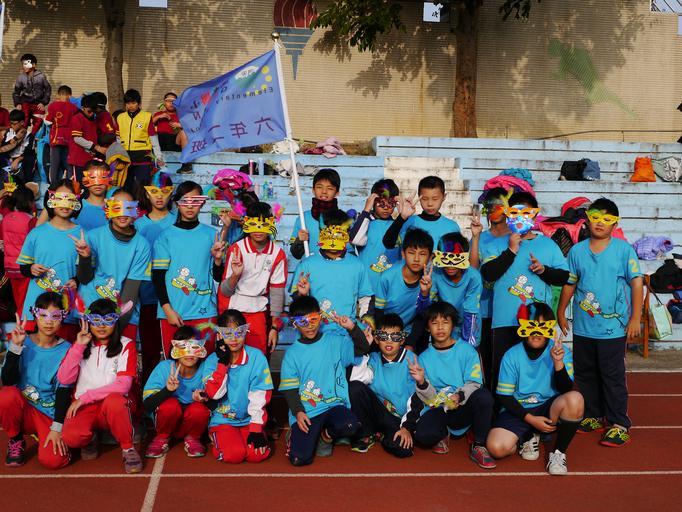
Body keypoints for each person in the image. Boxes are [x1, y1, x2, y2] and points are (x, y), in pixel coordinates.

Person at [557, 197, 643, 447]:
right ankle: (593, 414)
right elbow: (570, 283)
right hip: (584, 327)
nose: (600, 223)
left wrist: (635, 318)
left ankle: (618, 423)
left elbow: (637, 282)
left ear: (615, 224)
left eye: (607, 219)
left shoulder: (624, 250)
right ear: (587, 220)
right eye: (595, 217)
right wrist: (561, 311)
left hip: (613, 328)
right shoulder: (577, 251)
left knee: (612, 375)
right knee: (585, 373)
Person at [480, 192, 569, 394]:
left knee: (536, 372)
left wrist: (544, 270)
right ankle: (500, 412)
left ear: (535, 215)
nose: (520, 218)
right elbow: (488, 274)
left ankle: (536, 406)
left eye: (526, 213)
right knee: (501, 373)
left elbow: (563, 277)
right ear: (507, 214)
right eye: (515, 212)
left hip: (537, 323)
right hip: (504, 321)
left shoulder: (547, 244)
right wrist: (511, 250)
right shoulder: (497, 244)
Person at [487, 302, 583, 475]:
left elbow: (566, 389)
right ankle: (527, 435)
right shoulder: (511, 355)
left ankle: (558, 453)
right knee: (496, 448)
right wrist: (531, 420)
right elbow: (504, 396)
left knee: (575, 399)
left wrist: (558, 363)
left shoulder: (561, 351)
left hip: (548, 407)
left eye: (543, 326)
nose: (537, 332)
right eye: (531, 325)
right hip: (519, 408)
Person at [279, 296, 370, 466]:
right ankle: (295, 435)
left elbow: (363, 348)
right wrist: (298, 412)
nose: (309, 326)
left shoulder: (336, 342)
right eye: (303, 321)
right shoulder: (292, 354)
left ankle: (325, 437)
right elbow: (289, 390)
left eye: (313, 319)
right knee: (299, 460)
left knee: (351, 425)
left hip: (334, 405)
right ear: (295, 324)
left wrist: (352, 328)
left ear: (320, 317)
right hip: (308, 411)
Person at [57, 299, 143, 473]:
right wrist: (79, 346)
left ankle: (128, 448)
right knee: (71, 437)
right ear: (88, 322)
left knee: (116, 402)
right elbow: (64, 379)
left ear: (116, 321)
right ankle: (91, 437)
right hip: (85, 407)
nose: (101, 326)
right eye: (96, 320)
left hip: (111, 404)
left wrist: (86, 397)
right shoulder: (80, 344)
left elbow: (123, 386)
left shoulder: (126, 344)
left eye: (108, 320)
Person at [411, 301, 496, 469]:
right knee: (423, 436)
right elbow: (429, 399)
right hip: (439, 408)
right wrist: (421, 382)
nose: (440, 327)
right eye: (434, 323)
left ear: (453, 325)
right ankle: (443, 433)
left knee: (484, 397)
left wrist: (459, 396)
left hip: (462, 406)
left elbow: (474, 383)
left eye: (445, 322)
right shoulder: (423, 358)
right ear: (427, 327)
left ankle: (479, 445)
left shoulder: (467, 351)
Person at [0, 292, 71, 469]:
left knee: (53, 461)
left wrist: (57, 428)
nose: (49, 321)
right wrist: (16, 347)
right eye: (43, 315)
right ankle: (16, 439)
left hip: (48, 413)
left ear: (62, 317)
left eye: (55, 316)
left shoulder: (67, 350)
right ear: (35, 315)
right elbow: (7, 380)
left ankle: (46, 435)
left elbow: (64, 391)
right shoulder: (22, 341)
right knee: (7, 395)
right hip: (23, 408)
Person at [152, 181, 220, 357]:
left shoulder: (212, 235)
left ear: (202, 203)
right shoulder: (165, 236)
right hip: (174, 314)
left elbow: (218, 276)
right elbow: (157, 277)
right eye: (185, 201)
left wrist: (218, 260)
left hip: (204, 312)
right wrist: (168, 310)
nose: (190, 206)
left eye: (195, 201)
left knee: (204, 362)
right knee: (174, 362)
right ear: (177, 203)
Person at [73, 188, 151, 340]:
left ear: (135, 210)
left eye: (128, 208)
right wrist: (85, 257)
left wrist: (115, 328)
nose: (123, 214)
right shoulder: (92, 237)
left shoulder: (142, 245)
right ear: (108, 209)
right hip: (90, 313)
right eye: (117, 207)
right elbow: (84, 278)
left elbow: (131, 290)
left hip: (122, 316)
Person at [202, 309, 274, 463]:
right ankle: (216, 434)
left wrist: (256, 428)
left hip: (249, 419)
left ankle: (247, 434)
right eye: (228, 334)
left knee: (256, 455)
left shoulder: (257, 357)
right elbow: (214, 394)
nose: (234, 339)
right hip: (223, 420)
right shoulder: (212, 360)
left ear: (245, 332)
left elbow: (260, 394)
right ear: (219, 335)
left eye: (239, 333)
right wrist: (222, 363)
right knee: (234, 455)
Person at [218, 201, 287, 355]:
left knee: (258, 355)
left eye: (263, 224)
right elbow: (225, 291)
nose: (258, 230)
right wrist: (236, 275)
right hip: (232, 310)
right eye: (253, 223)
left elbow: (277, 291)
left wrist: (274, 327)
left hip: (258, 312)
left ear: (271, 224)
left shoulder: (278, 254)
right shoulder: (237, 249)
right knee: (230, 357)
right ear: (246, 223)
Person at [349, 313, 421, 457]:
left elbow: (418, 398)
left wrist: (406, 428)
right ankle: (367, 433)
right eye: (383, 336)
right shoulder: (374, 358)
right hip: (379, 413)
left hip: (400, 418)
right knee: (355, 388)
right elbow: (356, 380)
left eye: (395, 337)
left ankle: (382, 435)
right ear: (376, 339)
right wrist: (364, 349)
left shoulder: (412, 360)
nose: (389, 341)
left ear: (402, 339)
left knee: (403, 450)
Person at [16, 180, 81, 340]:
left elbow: (86, 271)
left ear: (77, 202)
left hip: (66, 309)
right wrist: (31, 268)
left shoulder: (82, 234)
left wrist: (76, 280)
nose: (64, 204)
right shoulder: (36, 233)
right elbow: (23, 267)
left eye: (69, 199)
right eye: (59, 198)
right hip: (35, 309)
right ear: (50, 200)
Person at [290, 209, 373, 331]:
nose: (334, 239)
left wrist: (366, 322)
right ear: (321, 234)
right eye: (329, 233)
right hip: (316, 332)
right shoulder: (307, 265)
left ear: (347, 234)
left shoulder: (357, 265)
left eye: (339, 233)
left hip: (347, 332)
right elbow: (296, 303)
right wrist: (301, 295)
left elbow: (366, 298)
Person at [143, 326, 210, 458]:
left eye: (194, 347)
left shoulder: (206, 368)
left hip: (193, 422)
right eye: (183, 347)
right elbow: (147, 406)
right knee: (170, 405)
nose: (189, 353)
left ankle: (193, 438)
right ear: (174, 349)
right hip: (167, 422)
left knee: (199, 409)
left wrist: (205, 399)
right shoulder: (164, 368)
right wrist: (167, 391)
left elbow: (217, 402)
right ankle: (162, 438)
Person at [469, 187, 511, 388]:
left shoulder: (516, 237)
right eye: (489, 206)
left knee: (506, 362)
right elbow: (472, 269)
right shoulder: (480, 236)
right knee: (486, 361)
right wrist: (476, 238)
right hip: (485, 310)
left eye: (499, 206)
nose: (494, 210)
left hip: (509, 311)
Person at [135, 172, 175, 379]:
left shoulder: (178, 222)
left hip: (175, 296)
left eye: (164, 191)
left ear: (171, 193)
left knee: (175, 350)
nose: (159, 196)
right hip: (147, 295)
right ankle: (148, 393)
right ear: (146, 193)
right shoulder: (137, 225)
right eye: (154, 191)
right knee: (150, 350)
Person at [375, 227, 433, 351]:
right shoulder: (387, 278)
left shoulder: (431, 281)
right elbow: (378, 312)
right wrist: (385, 339)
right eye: (411, 253)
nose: (416, 259)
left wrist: (410, 343)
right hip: (386, 333)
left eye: (422, 254)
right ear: (403, 254)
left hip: (411, 334)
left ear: (430, 258)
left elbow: (422, 317)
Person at [420, 232, 483, 347]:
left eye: (456, 259)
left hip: (469, 326)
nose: (450, 265)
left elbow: (471, 312)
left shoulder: (473, 277)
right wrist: (425, 293)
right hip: (444, 326)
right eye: (445, 259)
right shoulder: (434, 273)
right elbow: (427, 311)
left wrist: (467, 347)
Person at [383, 175, 460, 253]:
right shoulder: (409, 222)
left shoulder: (452, 227)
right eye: (425, 199)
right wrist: (402, 217)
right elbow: (388, 244)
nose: (430, 204)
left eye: (435, 199)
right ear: (419, 197)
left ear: (444, 197)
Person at [349, 179, 402, 293]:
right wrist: (366, 210)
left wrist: (403, 214)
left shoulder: (398, 225)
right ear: (373, 201)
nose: (386, 207)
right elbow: (355, 240)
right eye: (381, 203)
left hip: (392, 286)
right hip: (368, 287)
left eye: (390, 203)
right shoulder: (365, 222)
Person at [289, 168, 342, 259]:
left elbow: (350, 252)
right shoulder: (303, 218)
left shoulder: (344, 219)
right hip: (309, 267)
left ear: (337, 192)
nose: (324, 191)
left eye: (330, 188)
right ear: (313, 190)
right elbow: (295, 254)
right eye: (319, 187)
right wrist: (299, 241)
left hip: (335, 267)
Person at [115, 89, 163, 188]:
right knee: (125, 186)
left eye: (133, 103)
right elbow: (118, 138)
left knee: (143, 186)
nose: (131, 106)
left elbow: (153, 138)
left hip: (143, 156)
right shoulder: (120, 117)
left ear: (139, 103)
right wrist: (118, 155)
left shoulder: (146, 116)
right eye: (128, 103)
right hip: (125, 157)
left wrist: (158, 156)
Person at [1, 185, 36, 316]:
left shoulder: (6, 219)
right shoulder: (31, 220)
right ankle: (23, 323)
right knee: (25, 302)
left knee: (17, 299)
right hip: (24, 267)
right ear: (29, 202)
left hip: (9, 267)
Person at [68, 94, 106, 184]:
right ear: (82, 108)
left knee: (89, 184)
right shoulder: (77, 118)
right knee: (78, 185)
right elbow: (77, 139)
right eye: (89, 111)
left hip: (89, 159)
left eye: (94, 111)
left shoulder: (93, 120)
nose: (92, 114)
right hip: (78, 160)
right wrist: (96, 147)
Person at [45, 85, 78, 184]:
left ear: (58, 95)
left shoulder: (53, 106)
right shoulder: (74, 107)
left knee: (54, 163)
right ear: (70, 95)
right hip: (69, 137)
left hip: (56, 136)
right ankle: (70, 183)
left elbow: (48, 121)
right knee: (68, 162)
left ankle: (53, 184)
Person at [152, 92, 191, 174]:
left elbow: (192, 128)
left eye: (173, 101)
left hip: (175, 142)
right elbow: (148, 126)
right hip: (161, 142)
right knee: (152, 136)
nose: (171, 103)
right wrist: (159, 117)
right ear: (164, 103)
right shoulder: (158, 114)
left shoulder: (182, 115)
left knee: (183, 132)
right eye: (168, 101)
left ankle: (186, 165)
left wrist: (180, 125)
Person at [12, 54, 51, 134]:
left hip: (38, 104)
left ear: (33, 65)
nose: (24, 66)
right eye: (23, 64)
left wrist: (43, 102)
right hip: (25, 103)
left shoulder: (41, 76)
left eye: (27, 64)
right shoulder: (21, 77)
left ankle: (32, 137)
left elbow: (48, 89)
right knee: (24, 120)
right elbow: (16, 92)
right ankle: (21, 137)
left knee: (39, 121)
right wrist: (18, 103)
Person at [74, 160, 109, 232]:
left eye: (103, 177)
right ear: (84, 180)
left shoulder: (115, 206)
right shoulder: (77, 206)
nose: (98, 184)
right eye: (93, 178)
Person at [0, 110, 30, 177]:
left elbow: (29, 153)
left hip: (20, 161)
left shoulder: (28, 135)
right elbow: (5, 147)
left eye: (14, 124)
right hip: (7, 160)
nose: (11, 126)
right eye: (10, 123)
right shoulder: (7, 133)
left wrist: (17, 160)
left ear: (22, 122)